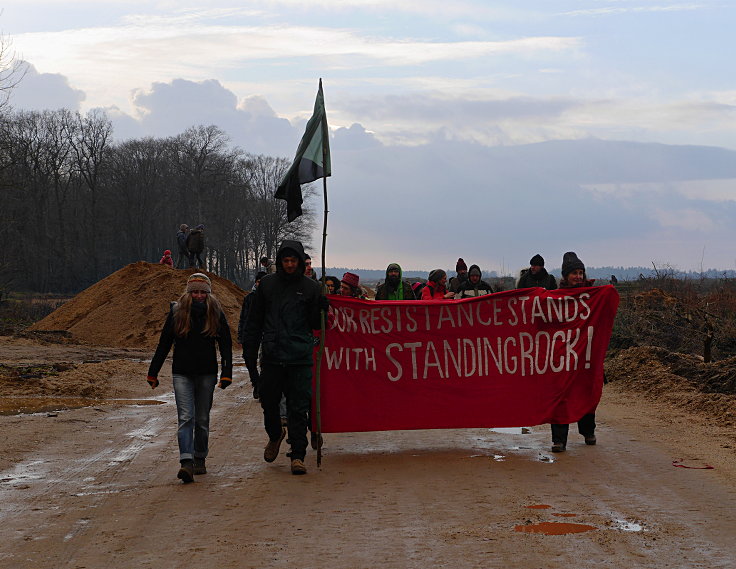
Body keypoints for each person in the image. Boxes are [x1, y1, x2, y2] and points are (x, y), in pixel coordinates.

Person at [244, 240, 325, 475]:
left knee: (298, 408)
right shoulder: (267, 285)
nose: (289, 265)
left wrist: (322, 308)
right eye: (285, 261)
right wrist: (251, 356)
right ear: (280, 262)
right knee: (269, 403)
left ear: (300, 261)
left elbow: (314, 324)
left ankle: (298, 455)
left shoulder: (311, 288)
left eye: (293, 261)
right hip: (272, 356)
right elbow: (255, 321)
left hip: (300, 357)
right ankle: (275, 434)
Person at [147, 273, 233, 483]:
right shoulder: (177, 312)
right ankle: (186, 462)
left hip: (207, 373)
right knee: (186, 417)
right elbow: (164, 343)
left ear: (208, 293)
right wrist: (153, 371)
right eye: (195, 291)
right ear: (189, 292)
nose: (198, 295)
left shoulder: (215, 312)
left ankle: (199, 457)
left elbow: (226, 345)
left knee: (202, 419)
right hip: (182, 372)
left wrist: (227, 373)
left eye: (202, 292)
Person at [550, 251, 597, 453]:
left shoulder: (593, 297)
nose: (578, 276)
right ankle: (559, 440)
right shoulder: (556, 297)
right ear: (565, 276)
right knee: (561, 396)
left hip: (585, 353)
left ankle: (588, 431)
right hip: (562, 355)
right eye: (574, 273)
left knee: (585, 392)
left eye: (581, 272)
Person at [238, 271, 267, 399]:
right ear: (256, 282)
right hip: (250, 334)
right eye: (258, 281)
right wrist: (240, 336)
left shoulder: (270, 298)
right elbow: (243, 318)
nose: (260, 284)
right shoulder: (249, 298)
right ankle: (257, 384)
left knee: (265, 362)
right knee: (250, 361)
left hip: (266, 334)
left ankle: (262, 388)